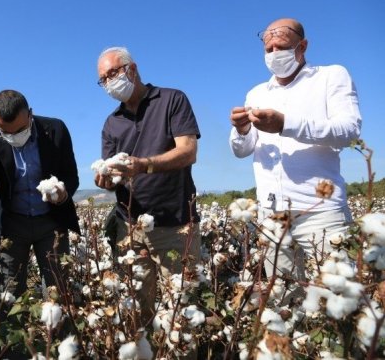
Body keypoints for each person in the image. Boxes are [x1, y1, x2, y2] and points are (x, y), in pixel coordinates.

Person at [229, 18, 361, 280]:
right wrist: (241, 130)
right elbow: (242, 151)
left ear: (302, 46)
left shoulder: (331, 77)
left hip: (321, 211)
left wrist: (285, 124)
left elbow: (349, 130)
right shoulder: (256, 93)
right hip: (271, 215)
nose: (274, 54)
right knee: (281, 296)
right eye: (269, 49)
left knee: (340, 291)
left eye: (281, 47)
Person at [94, 46, 202, 328]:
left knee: (181, 313)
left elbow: (188, 151)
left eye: (112, 74)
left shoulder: (171, 100)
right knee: (136, 312)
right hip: (130, 229)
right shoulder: (111, 123)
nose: (109, 83)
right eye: (103, 79)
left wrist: (144, 165)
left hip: (175, 226)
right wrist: (105, 180)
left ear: (132, 69)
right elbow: (113, 176)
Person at [0, 90, 80, 299]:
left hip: (52, 222)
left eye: (20, 130)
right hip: (12, 226)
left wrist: (63, 194)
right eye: (5, 131)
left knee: (58, 290)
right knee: (10, 293)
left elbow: (71, 175)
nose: (13, 136)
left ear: (30, 114)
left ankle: (57, 320)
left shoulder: (55, 130)